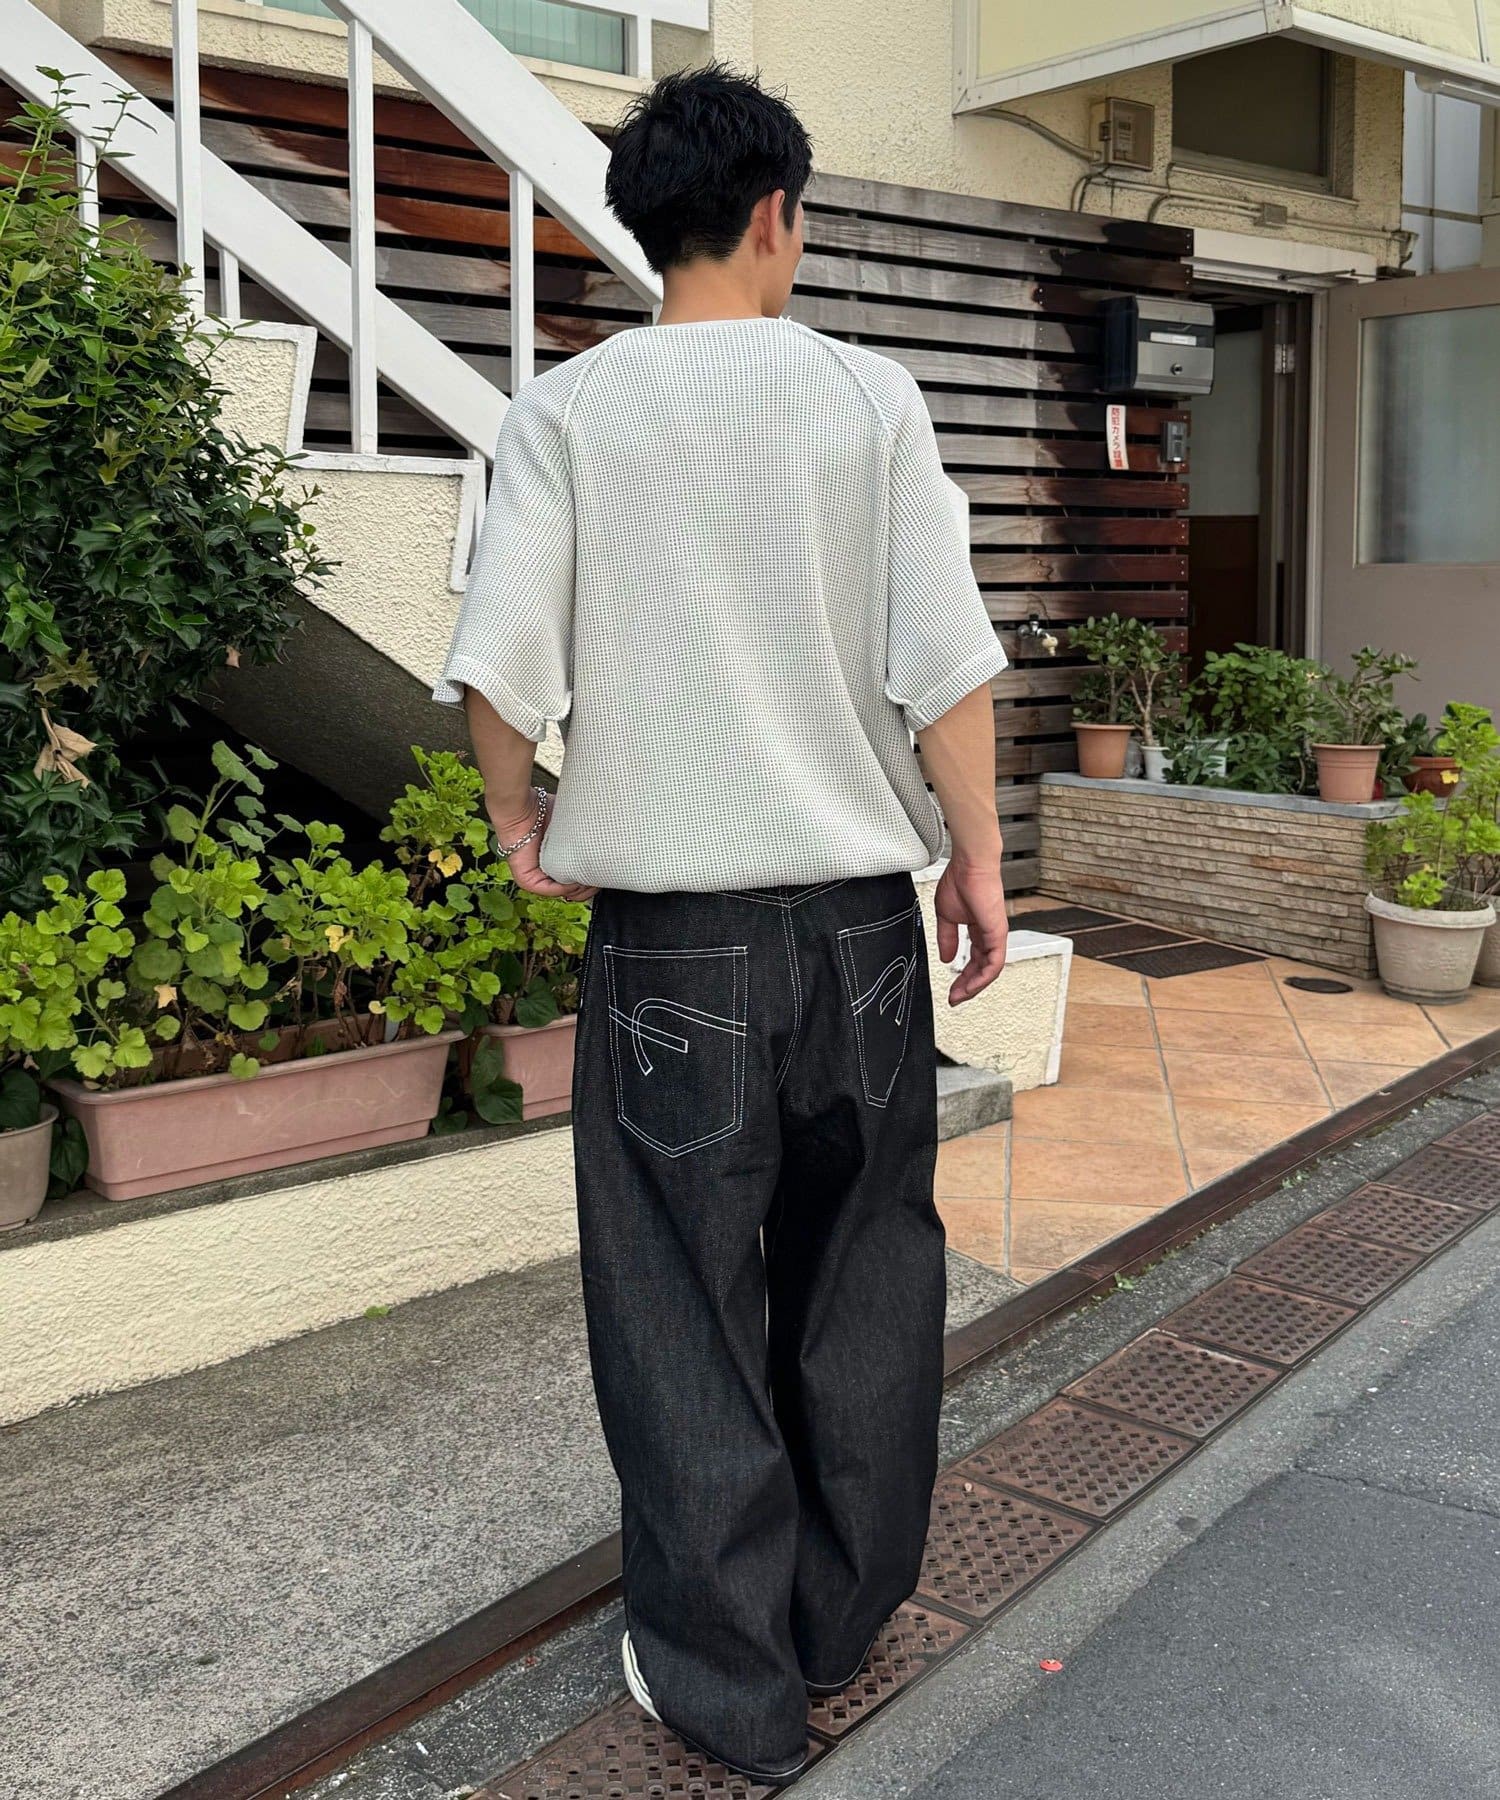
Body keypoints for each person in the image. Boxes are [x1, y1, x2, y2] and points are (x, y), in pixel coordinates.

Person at [432, 62, 1010, 1786]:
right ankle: (842, 1617)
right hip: (857, 926)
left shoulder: (567, 414)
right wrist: (977, 860)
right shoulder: (869, 399)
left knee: (679, 1304)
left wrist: (517, 820)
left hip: (672, 943)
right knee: (865, 1277)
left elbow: (497, 671)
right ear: (773, 214)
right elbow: (944, 666)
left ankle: (724, 1687)